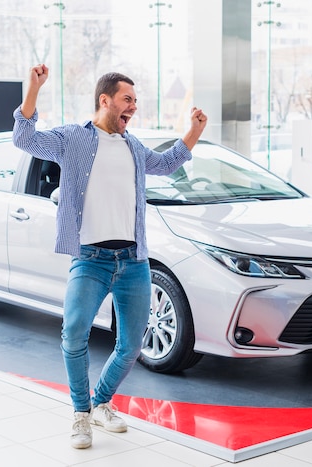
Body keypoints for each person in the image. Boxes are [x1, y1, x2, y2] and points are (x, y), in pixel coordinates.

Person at [12, 65, 207, 449]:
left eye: (134, 101)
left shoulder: (133, 146)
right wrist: (32, 90)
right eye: (127, 100)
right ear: (105, 100)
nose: (133, 107)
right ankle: (81, 414)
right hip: (90, 259)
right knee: (74, 335)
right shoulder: (72, 139)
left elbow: (166, 165)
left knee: (132, 345)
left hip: (134, 261)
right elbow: (24, 138)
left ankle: (102, 402)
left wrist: (194, 132)